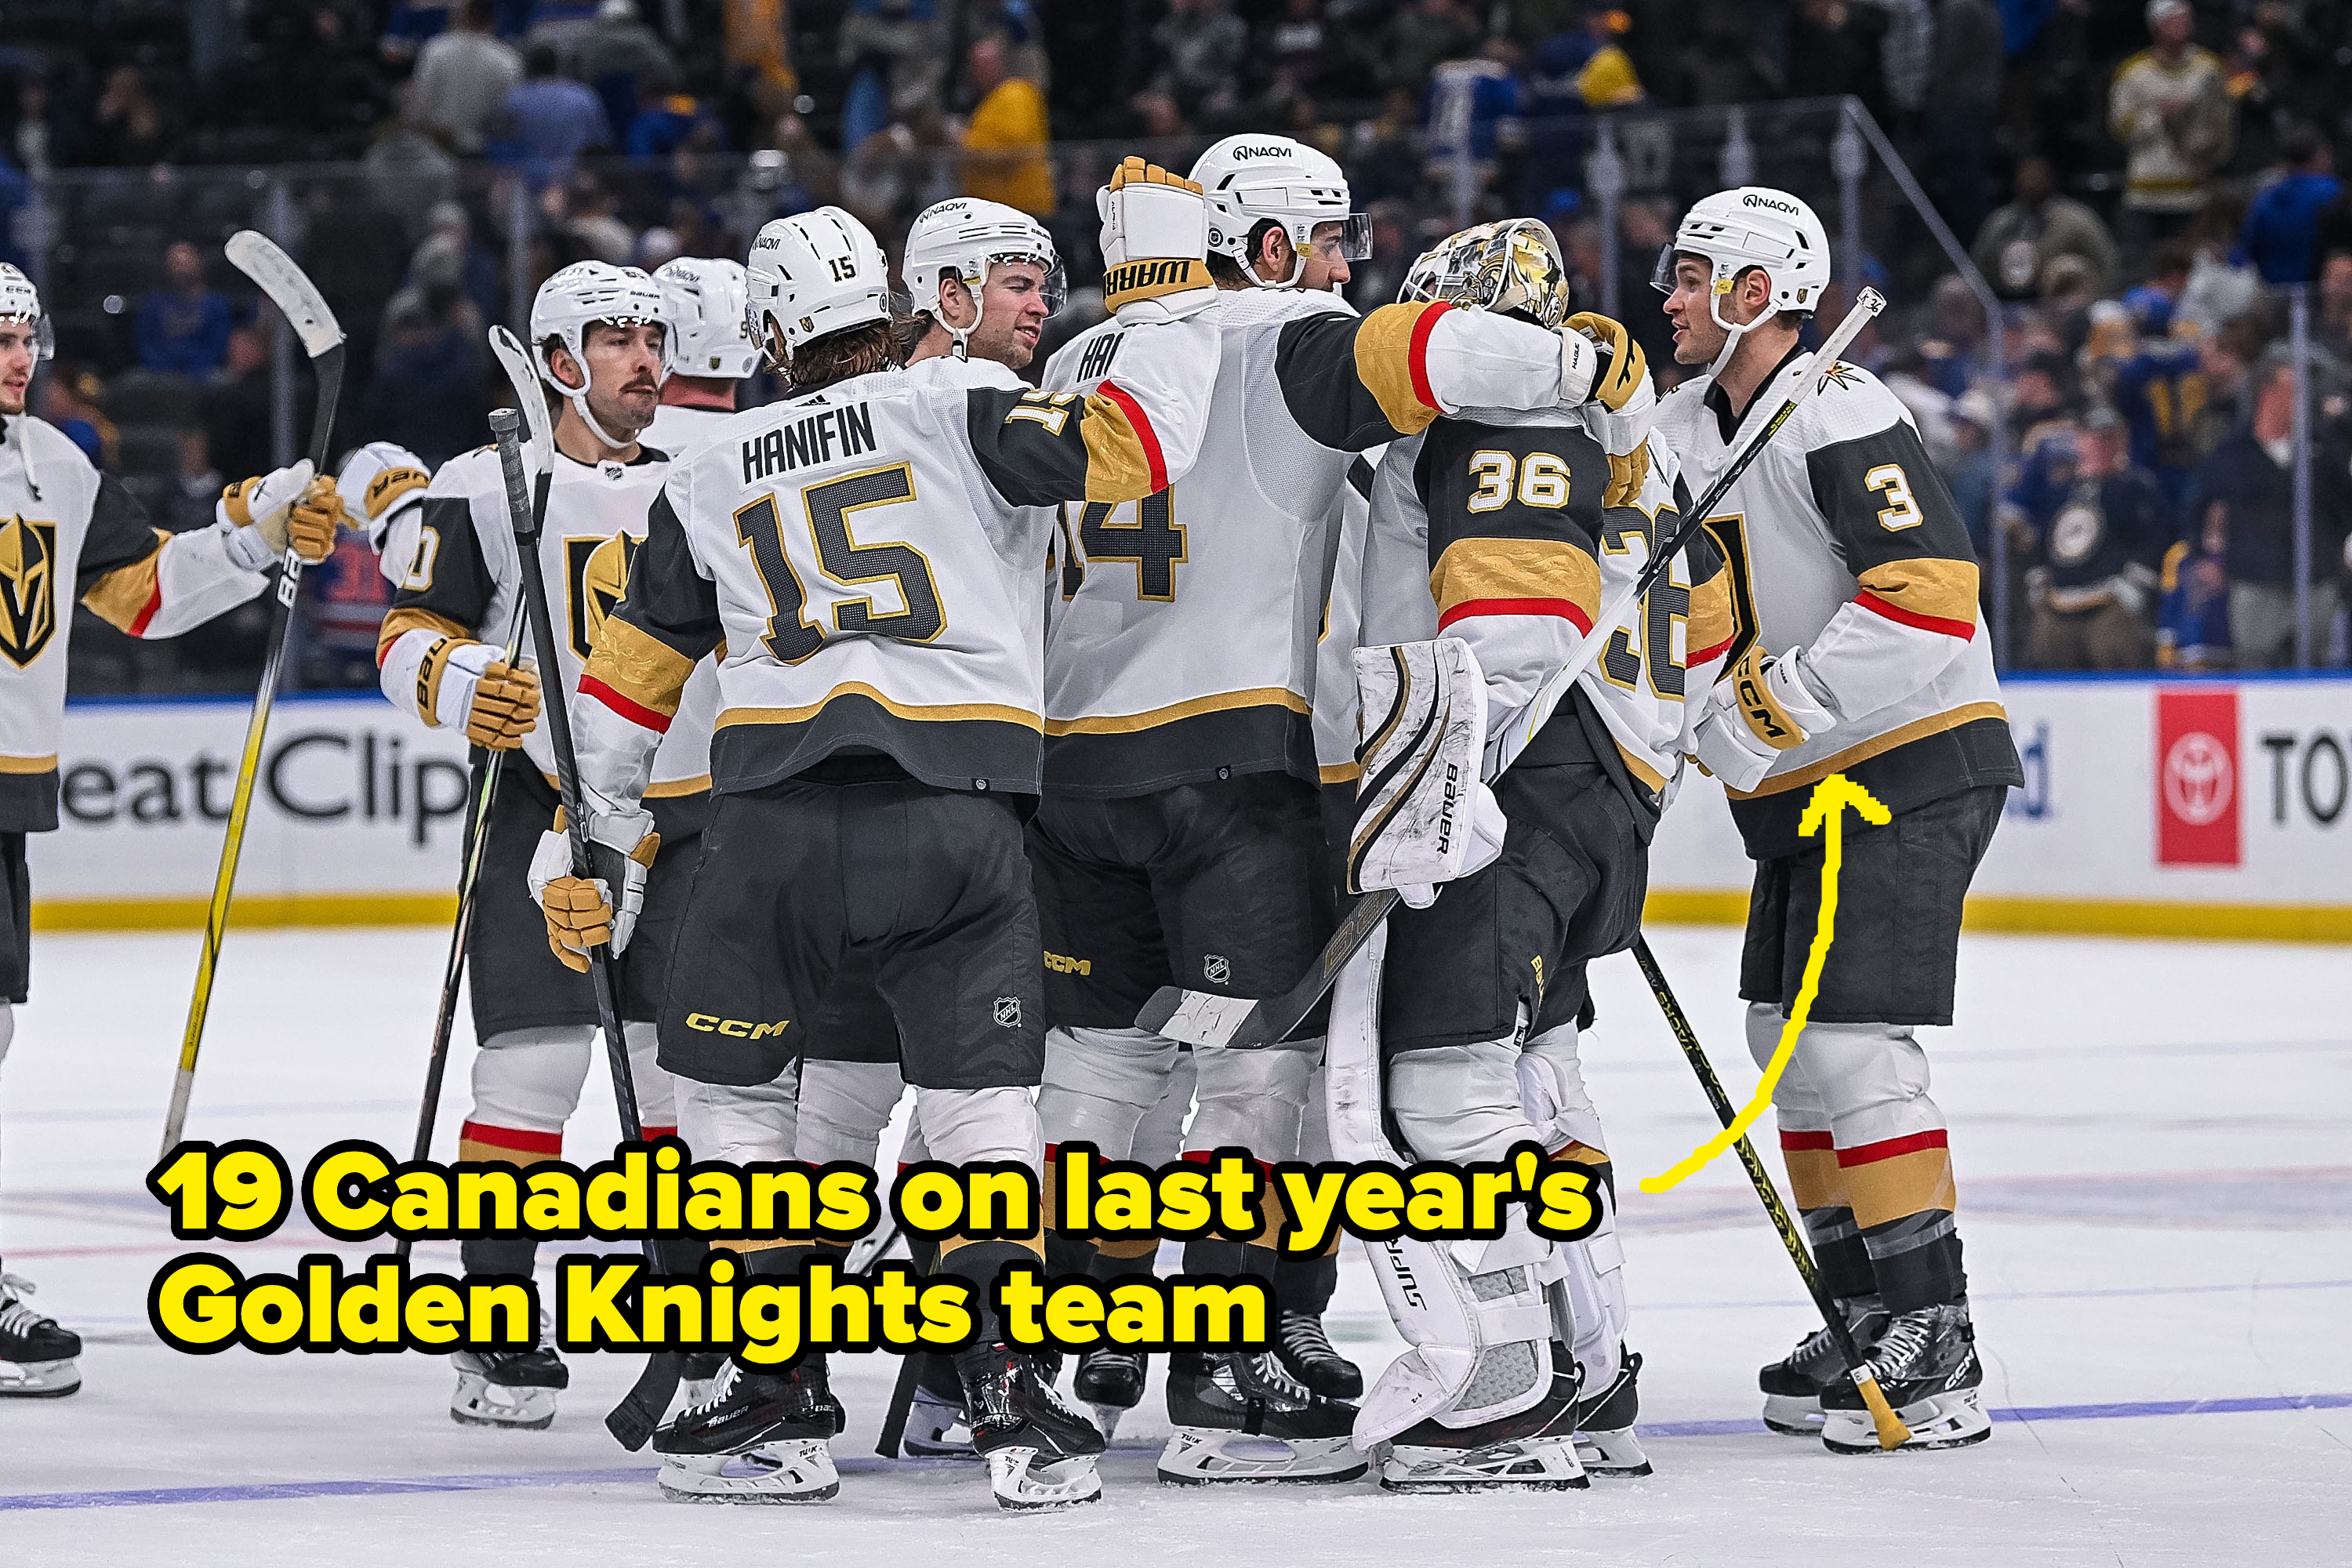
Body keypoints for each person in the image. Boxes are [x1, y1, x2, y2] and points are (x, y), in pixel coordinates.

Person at [548, 169, 1225, 1510]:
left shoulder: (704, 464)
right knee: (983, 1113)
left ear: (769, 328)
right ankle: (1010, 1399)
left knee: (740, 1113)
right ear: (893, 302)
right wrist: (1176, 293)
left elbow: (625, 683)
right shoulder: (958, 400)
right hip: (954, 817)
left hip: (767, 834)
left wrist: (591, 838)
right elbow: (1137, 450)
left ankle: (768, 1395)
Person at [1032, 132, 1632, 1485]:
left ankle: (1043, 1353)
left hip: (1068, 771)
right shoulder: (1293, 333)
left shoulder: (1078, 361)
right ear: (1259, 246)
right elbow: (1453, 356)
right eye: (1329, 242)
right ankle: (1232, 1363)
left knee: (1103, 1065)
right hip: (1228, 763)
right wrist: (1593, 366)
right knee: (1262, 1073)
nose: (1346, 270)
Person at [1334, 218, 1729, 1490]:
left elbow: (1513, 621)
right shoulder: (1634, 443)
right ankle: (1590, 1362)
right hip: (1600, 787)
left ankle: (1499, 1389)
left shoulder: (1506, 416)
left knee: (1449, 1089)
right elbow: (1709, 641)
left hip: (1503, 781)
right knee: (1543, 1080)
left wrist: (1449, 787)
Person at [1652, 187, 2020, 1454]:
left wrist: (1765, 707)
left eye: (1696, 277)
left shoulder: (1842, 409)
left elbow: (1928, 598)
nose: (1672, 297)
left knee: (1856, 1043)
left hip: (1907, 762)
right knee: (1784, 1041)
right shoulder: (1682, 424)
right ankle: (1864, 1307)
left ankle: (1937, 1328)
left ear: (1759, 295)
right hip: (1812, 781)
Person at [373, 260, 709, 1431]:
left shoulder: (700, 482)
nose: (644, 361)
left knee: (679, 1081)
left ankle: (692, 1327)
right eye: (617, 340)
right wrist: (461, 677)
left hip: (682, 817)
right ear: (559, 360)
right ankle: (497, 1322)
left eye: (654, 338)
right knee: (532, 1070)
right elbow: (405, 630)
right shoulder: (484, 484)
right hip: (542, 809)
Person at [0, 265, 338, 1396]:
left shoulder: (56, 464)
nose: (15, 359)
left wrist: (248, 538)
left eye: (21, 337)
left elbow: (140, 595)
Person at [2194, 359, 2352, 667]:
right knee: (2256, 665)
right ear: (2268, 395)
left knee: (2318, 667)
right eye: (2294, 390)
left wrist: (2337, 550)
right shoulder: (2233, 452)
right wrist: (2204, 555)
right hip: (2256, 580)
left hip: (2316, 579)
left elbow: (2346, 502)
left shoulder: (2323, 447)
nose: (2304, 398)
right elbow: (2199, 506)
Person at [2012, 413, 2167, 670]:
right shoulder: (2061, 491)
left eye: (2107, 439)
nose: (2099, 446)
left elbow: (2156, 540)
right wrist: (2039, 579)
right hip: (2059, 601)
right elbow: (2043, 541)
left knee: (2111, 650)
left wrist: (2134, 586)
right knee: (2048, 655)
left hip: (2110, 600)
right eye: (2093, 438)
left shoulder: (2137, 489)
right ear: (2079, 442)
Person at [2108, 0, 2232, 248]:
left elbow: (2223, 122)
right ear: (2156, 26)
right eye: (2173, 20)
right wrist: (2159, 116)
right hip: (2146, 193)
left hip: (2193, 193)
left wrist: (2209, 147)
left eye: (2186, 18)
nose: (2182, 25)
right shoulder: (2132, 72)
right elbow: (2119, 127)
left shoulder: (2209, 68)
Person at [1968, 155, 2121, 302]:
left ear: (2051, 179)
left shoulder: (2077, 219)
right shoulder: (1999, 221)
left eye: (2036, 177)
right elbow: (1978, 265)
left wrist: (2097, 301)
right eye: (2025, 176)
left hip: (2060, 306)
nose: (2029, 182)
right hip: (2004, 300)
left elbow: (2106, 262)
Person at [960, 31, 1054, 217]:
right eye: (974, 65)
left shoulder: (1015, 93)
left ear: (1001, 63)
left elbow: (1012, 150)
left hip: (1021, 208)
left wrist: (962, 141)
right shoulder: (992, 99)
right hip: (997, 210)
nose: (976, 72)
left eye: (983, 64)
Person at [408, 0, 522, 154]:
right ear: (494, 20)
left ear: (463, 15)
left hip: (437, 149)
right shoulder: (508, 60)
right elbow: (508, 116)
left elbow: (419, 107)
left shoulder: (435, 51)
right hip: (482, 153)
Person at [137, 242, 236, 379]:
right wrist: (164, 369)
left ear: (198, 264)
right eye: (176, 264)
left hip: (204, 372)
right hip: (159, 373)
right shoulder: (154, 304)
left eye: (186, 263)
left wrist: (194, 369)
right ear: (167, 268)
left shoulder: (215, 304)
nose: (182, 270)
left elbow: (219, 345)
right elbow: (146, 343)